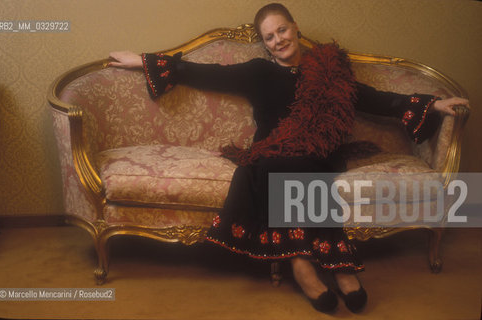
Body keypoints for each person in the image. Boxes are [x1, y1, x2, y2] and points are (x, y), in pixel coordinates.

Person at [108, 3, 469, 314]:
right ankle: (312, 263)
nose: (278, 39)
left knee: (300, 164)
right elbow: (205, 72)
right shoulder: (258, 71)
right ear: (264, 44)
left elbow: (373, 97)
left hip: (317, 152)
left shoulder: (329, 72)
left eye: (282, 29)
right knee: (277, 165)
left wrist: (434, 104)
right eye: (269, 36)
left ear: (295, 28)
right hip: (273, 152)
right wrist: (142, 60)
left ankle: (318, 264)